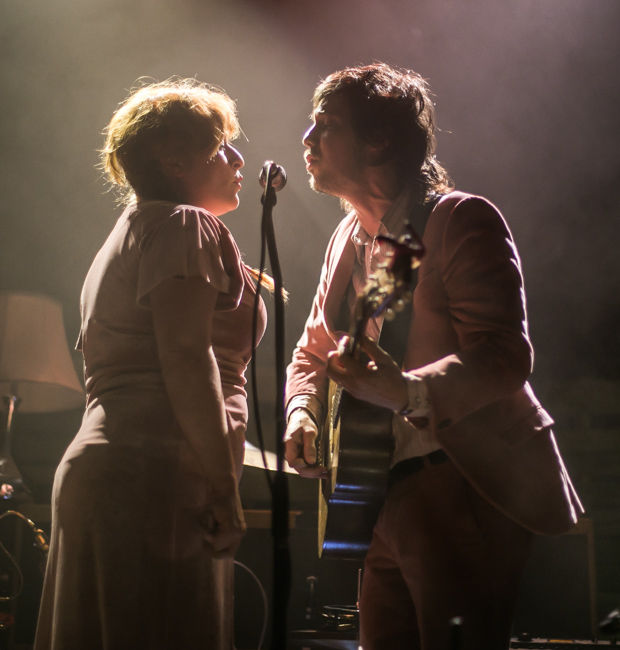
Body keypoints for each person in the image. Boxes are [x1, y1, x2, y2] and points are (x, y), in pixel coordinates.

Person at [284, 63, 583, 650]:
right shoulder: (349, 240)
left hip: (457, 478)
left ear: (379, 138)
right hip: (376, 492)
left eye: (327, 124)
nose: (307, 139)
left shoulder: (455, 219)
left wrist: (408, 392)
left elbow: (504, 354)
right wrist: (302, 412)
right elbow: (314, 351)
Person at [34, 78, 268, 650]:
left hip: (121, 468)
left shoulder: (133, 233)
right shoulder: (183, 225)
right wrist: (223, 488)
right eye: (223, 148)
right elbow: (186, 358)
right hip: (154, 473)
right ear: (174, 160)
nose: (240, 159)